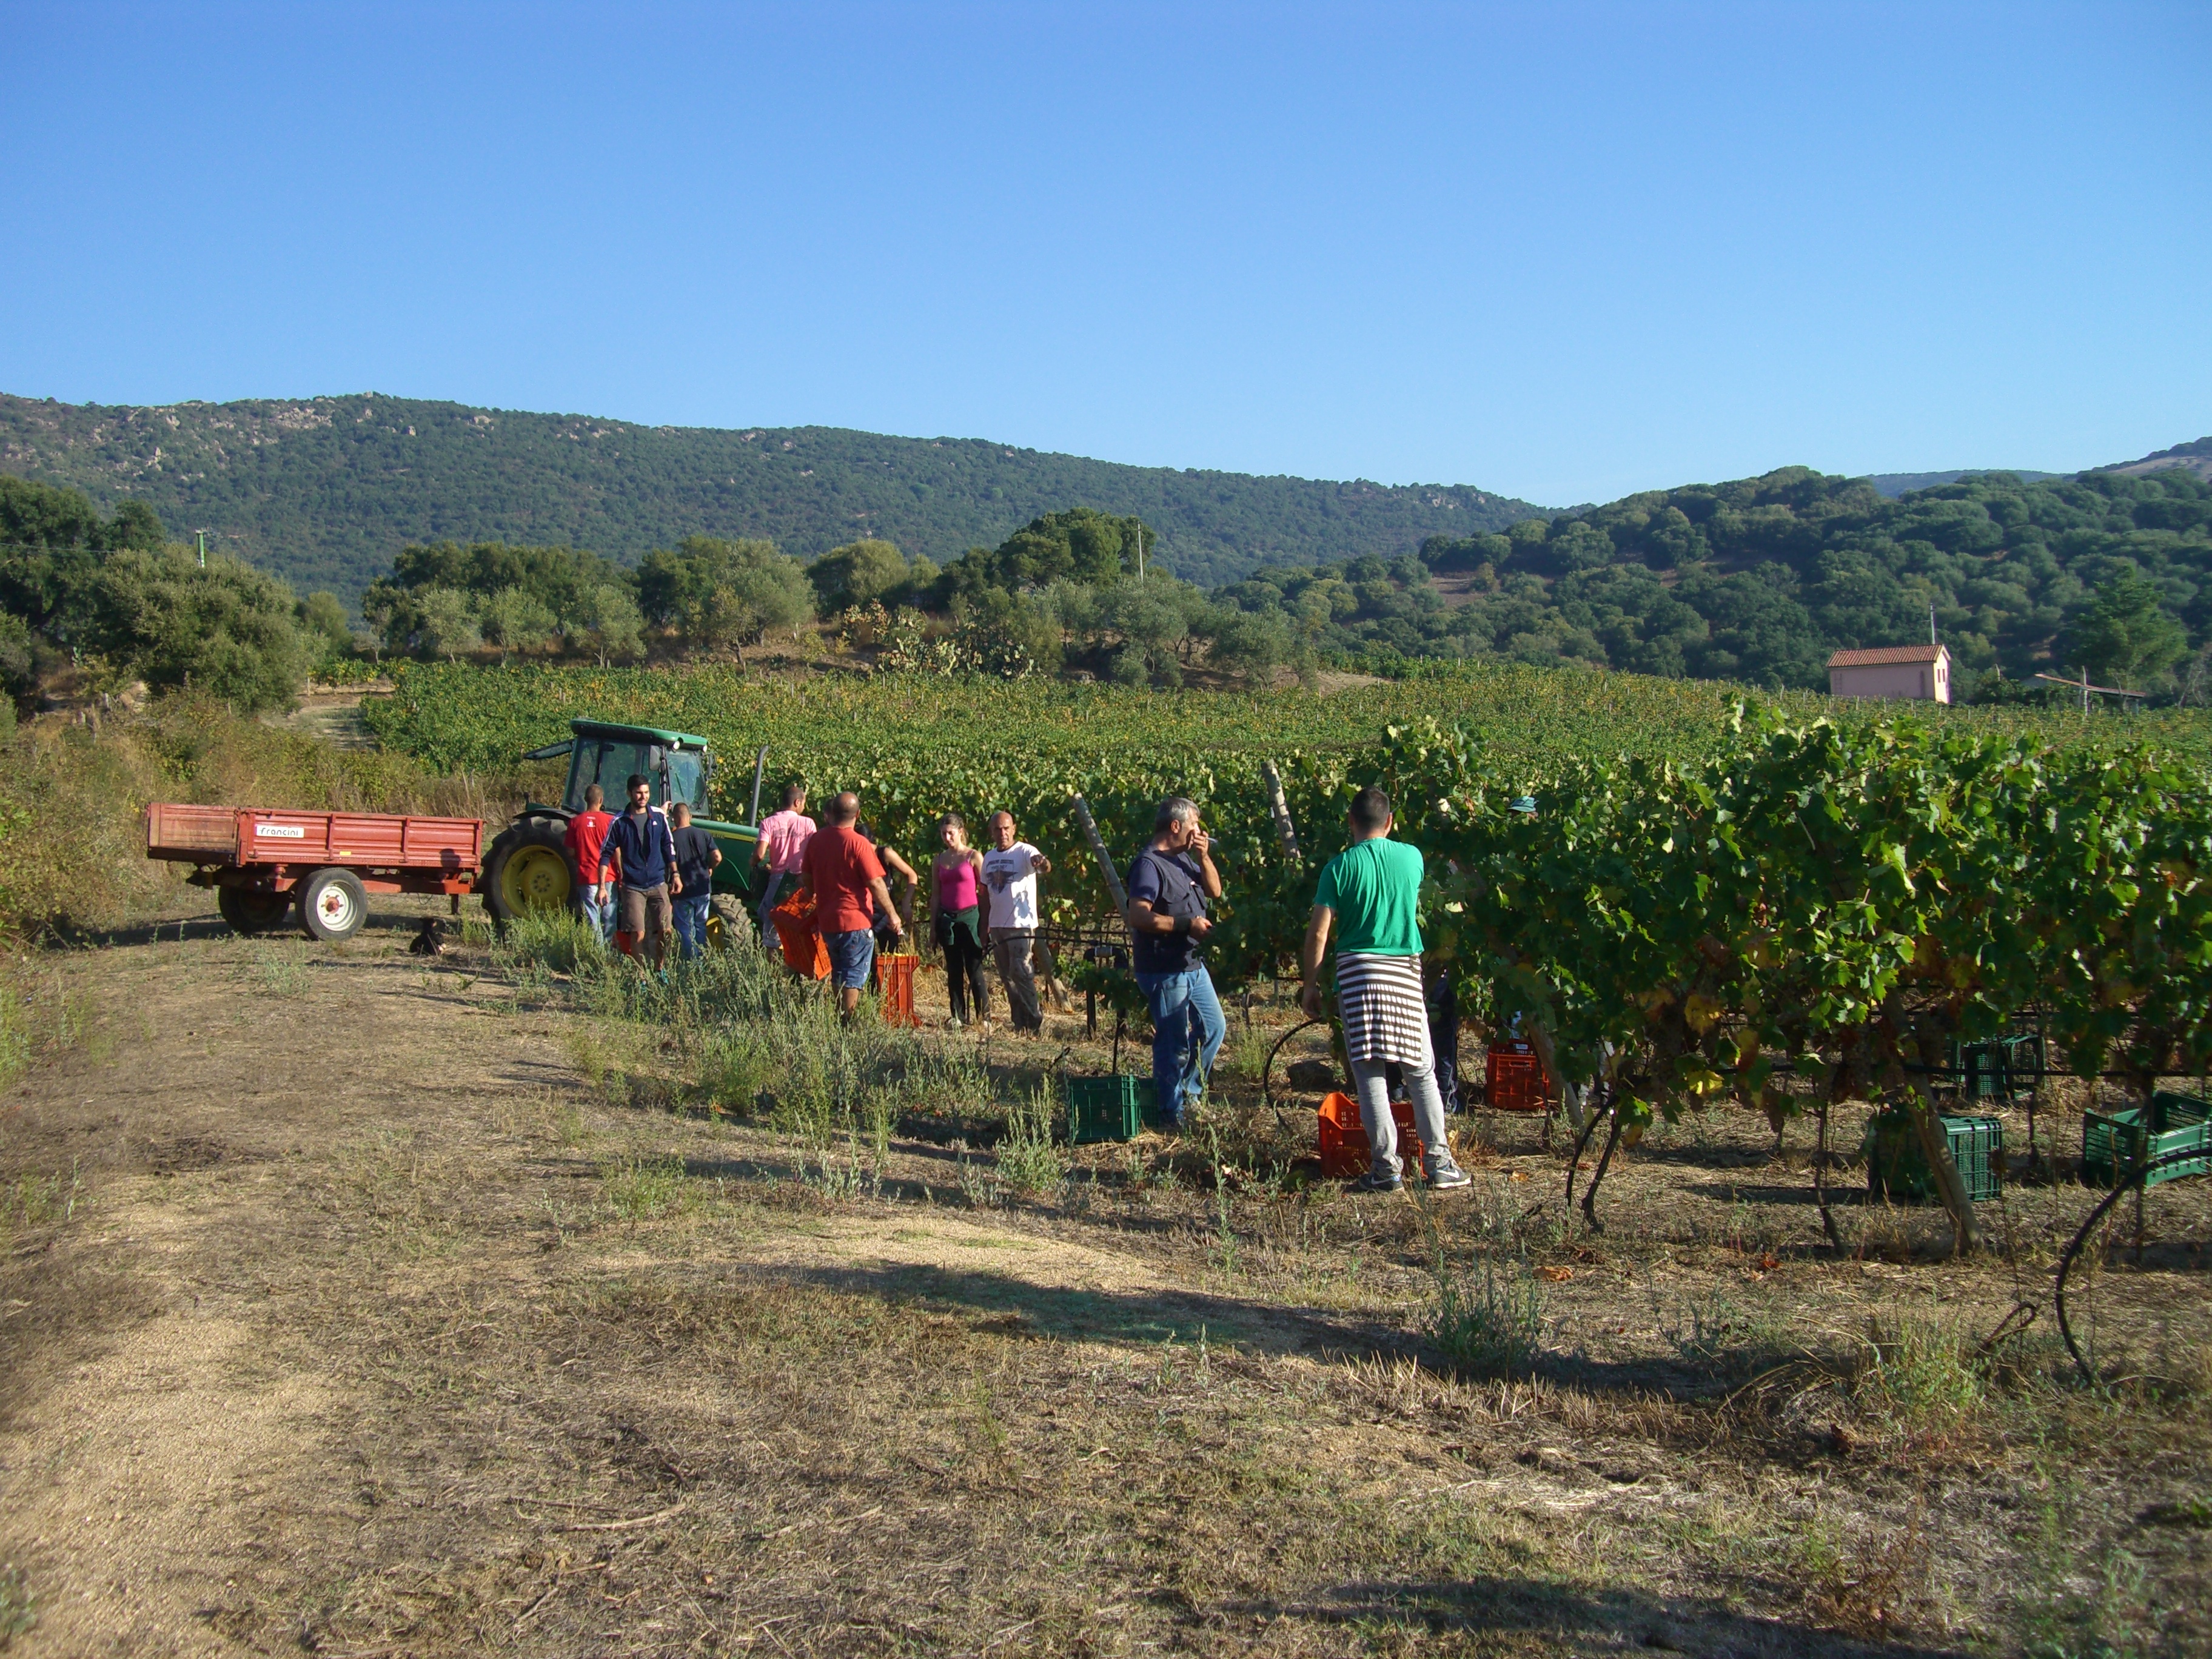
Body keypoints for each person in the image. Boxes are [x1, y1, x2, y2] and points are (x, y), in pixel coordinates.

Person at [1298, 785, 1470, 1192]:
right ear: (1390, 822)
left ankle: (1385, 1169)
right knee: (1420, 1068)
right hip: (1404, 970)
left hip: (1357, 971)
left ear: (1350, 823)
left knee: (1370, 1070)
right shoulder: (1411, 857)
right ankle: (1439, 1163)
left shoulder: (1338, 868)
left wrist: (1311, 985)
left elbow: (1319, 933)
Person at [1124, 796, 1226, 1131]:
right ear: (1176, 826)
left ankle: (1189, 1093)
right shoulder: (1149, 865)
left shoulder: (1186, 859)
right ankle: (1170, 1113)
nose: (1201, 831)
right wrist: (1185, 925)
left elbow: (1215, 892)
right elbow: (1138, 915)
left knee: (1213, 1028)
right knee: (1174, 1043)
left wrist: (1204, 855)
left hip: (1193, 964)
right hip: (1165, 968)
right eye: (1195, 825)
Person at [800, 791, 905, 1019]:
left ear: (831, 813)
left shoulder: (816, 840)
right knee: (854, 976)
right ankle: (848, 1022)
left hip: (828, 920)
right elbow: (876, 882)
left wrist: (815, 892)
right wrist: (893, 915)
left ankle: (839, 1018)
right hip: (855, 921)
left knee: (839, 972)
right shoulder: (859, 844)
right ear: (858, 815)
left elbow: (806, 876)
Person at [598, 774, 680, 971]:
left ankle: (660, 970)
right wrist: (602, 887)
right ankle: (642, 976)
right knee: (638, 934)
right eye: (638, 793)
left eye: (646, 793)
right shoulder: (619, 821)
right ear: (629, 794)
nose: (643, 797)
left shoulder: (659, 817)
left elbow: (668, 846)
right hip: (633, 886)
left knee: (666, 931)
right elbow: (605, 854)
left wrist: (676, 874)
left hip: (658, 883)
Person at [980, 811, 1051, 1033]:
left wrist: (1042, 863)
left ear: (1014, 829)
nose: (1003, 833)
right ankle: (1019, 1022)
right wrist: (985, 926)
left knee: (1021, 970)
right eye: (998, 829)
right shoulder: (989, 857)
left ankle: (1034, 1019)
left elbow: (1043, 866)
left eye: (1006, 828)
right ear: (992, 832)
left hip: (1020, 924)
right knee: (1006, 976)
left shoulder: (1025, 852)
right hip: (998, 925)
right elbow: (986, 894)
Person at [931, 813, 988, 1028]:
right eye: (944, 834)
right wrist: (933, 927)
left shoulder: (974, 856)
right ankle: (958, 1016)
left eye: (951, 833)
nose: (947, 838)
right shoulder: (939, 859)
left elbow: (984, 893)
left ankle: (984, 1017)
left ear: (961, 832)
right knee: (954, 968)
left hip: (970, 916)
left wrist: (985, 924)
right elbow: (936, 894)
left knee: (974, 966)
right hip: (948, 917)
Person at [754, 784, 816, 940]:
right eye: (803, 803)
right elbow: (814, 853)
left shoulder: (768, 823)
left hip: (779, 879)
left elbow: (760, 854)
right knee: (798, 922)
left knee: (771, 920)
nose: (803, 807)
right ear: (797, 803)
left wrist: (752, 862)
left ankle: (771, 959)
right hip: (802, 880)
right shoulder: (808, 824)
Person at [669, 803, 721, 960]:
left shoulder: (671, 839)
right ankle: (702, 961)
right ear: (690, 817)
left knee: (686, 929)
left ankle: (691, 964)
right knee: (701, 926)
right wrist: (710, 868)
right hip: (703, 889)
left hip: (683, 891)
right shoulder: (703, 834)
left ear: (674, 818)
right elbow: (718, 857)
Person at [565, 783, 614, 943]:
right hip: (609, 876)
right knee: (609, 916)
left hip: (586, 876)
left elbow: (571, 852)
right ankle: (609, 951)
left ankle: (598, 952)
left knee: (593, 916)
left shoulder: (575, 823)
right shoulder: (610, 821)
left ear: (585, 800)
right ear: (601, 800)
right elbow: (617, 851)